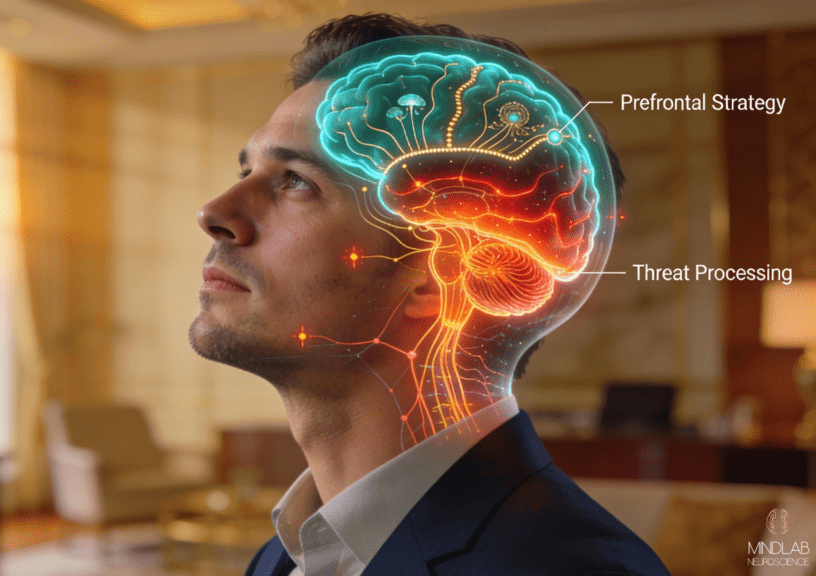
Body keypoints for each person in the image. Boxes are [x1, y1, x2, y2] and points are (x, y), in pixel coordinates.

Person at [189, 13, 671, 576]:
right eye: (248, 168)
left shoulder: (566, 568)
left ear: (436, 274)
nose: (215, 214)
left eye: (297, 180)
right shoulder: (284, 556)